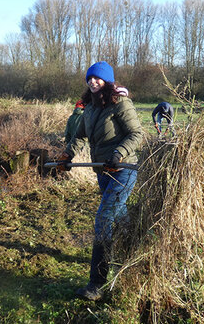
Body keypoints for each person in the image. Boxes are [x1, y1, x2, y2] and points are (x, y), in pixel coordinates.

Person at [57, 61, 144, 301]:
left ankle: (96, 284)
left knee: (104, 219)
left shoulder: (120, 103)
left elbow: (137, 134)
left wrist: (119, 154)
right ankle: (134, 259)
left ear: (107, 81)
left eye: (97, 78)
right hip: (102, 171)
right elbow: (78, 137)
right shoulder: (90, 109)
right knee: (122, 219)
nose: (93, 82)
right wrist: (67, 155)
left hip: (123, 170)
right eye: (89, 79)